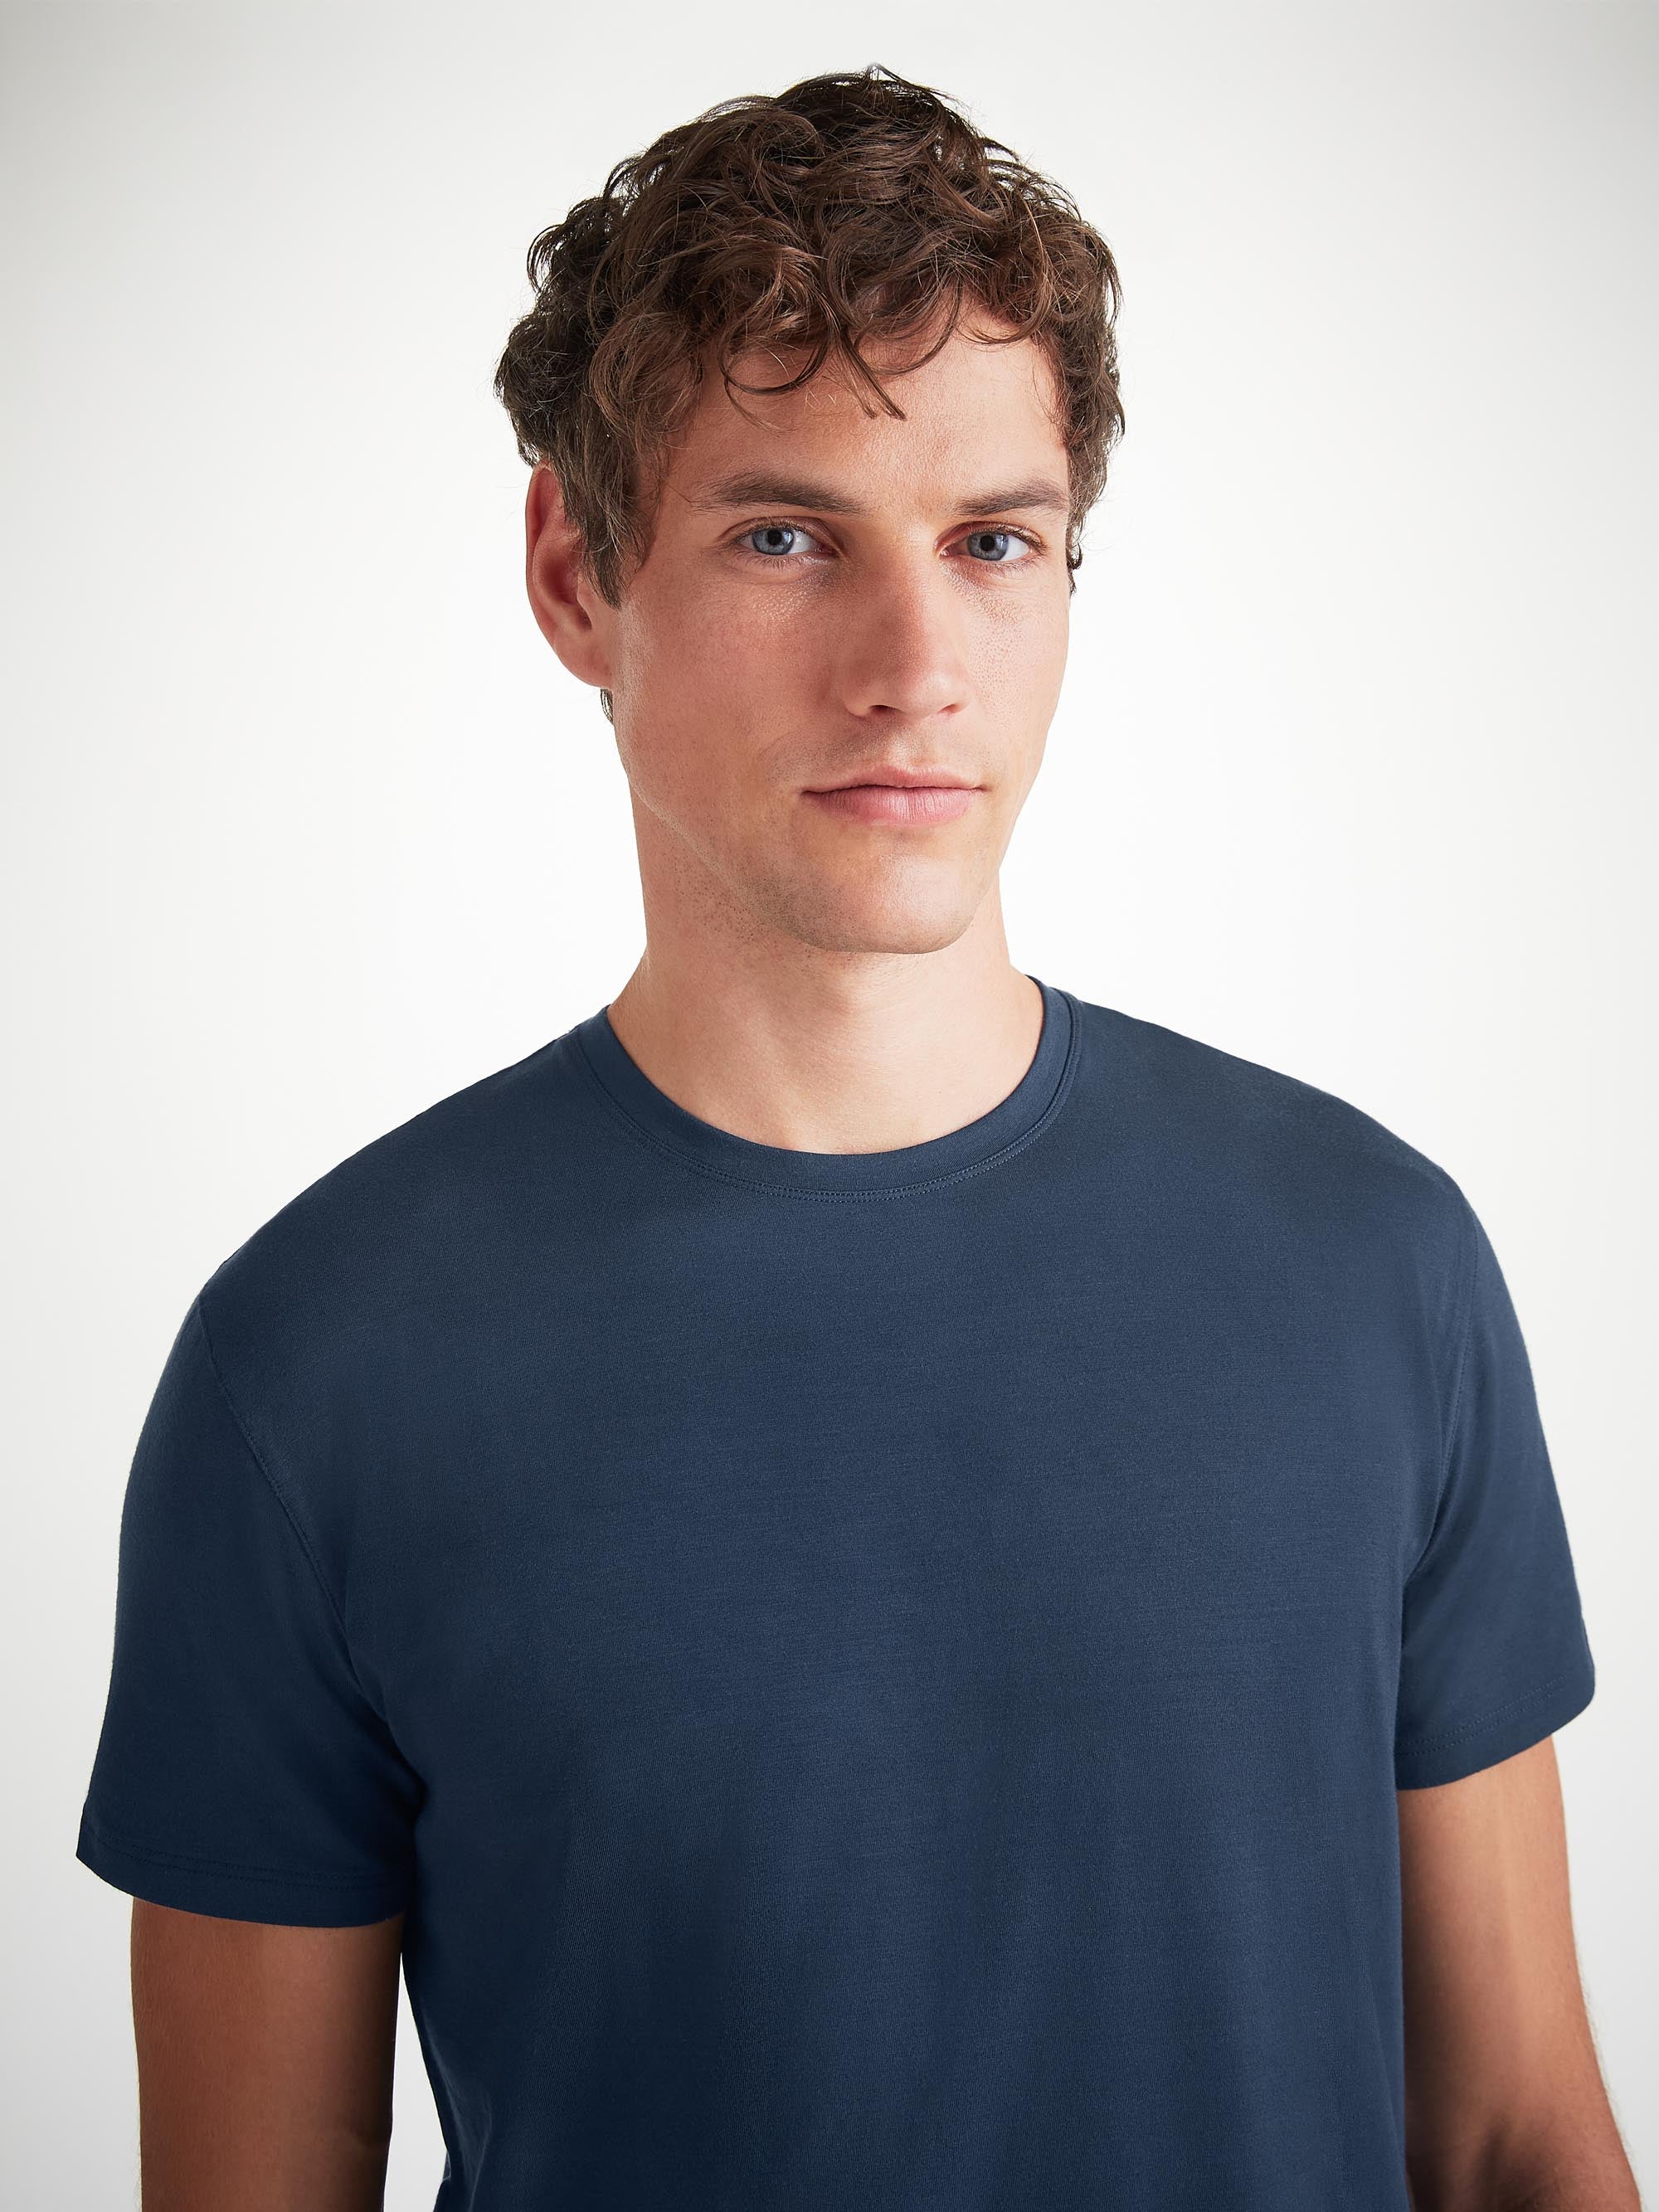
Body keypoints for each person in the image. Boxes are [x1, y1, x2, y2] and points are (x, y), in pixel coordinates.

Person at [75, 63, 1636, 2212]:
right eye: (788, 536)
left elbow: (1515, 2138)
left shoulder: (1379, 1268)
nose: (917, 666)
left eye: (993, 542)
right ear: (575, 574)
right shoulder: (316, 1368)